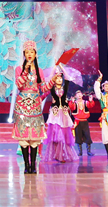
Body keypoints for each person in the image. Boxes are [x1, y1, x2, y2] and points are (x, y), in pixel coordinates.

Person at [12, 40, 51, 173]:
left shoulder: (39, 70)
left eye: (32, 52)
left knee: (34, 137)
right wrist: (25, 71)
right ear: (24, 54)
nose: (29, 54)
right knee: (23, 137)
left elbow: (43, 88)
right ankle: (26, 165)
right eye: (27, 52)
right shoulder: (19, 69)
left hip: (35, 105)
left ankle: (33, 166)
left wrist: (52, 82)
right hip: (22, 105)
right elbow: (19, 85)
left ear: (35, 54)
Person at [44, 64, 78, 163]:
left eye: (60, 78)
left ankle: (62, 155)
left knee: (63, 135)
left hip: (63, 114)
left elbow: (67, 77)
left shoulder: (65, 88)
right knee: (55, 135)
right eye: (57, 78)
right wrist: (55, 67)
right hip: (55, 114)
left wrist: (61, 67)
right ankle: (56, 155)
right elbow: (50, 78)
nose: (59, 79)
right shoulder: (52, 88)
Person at [69, 90, 96, 156]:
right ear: (75, 96)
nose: (79, 95)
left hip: (85, 122)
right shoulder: (74, 103)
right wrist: (72, 102)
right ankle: (80, 152)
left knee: (87, 136)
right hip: (78, 122)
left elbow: (91, 105)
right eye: (77, 94)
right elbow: (71, 107)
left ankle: (89, 151)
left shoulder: (85, 102)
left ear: (82, 95)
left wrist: (91, 100)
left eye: (80, 94)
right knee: (78, 136)